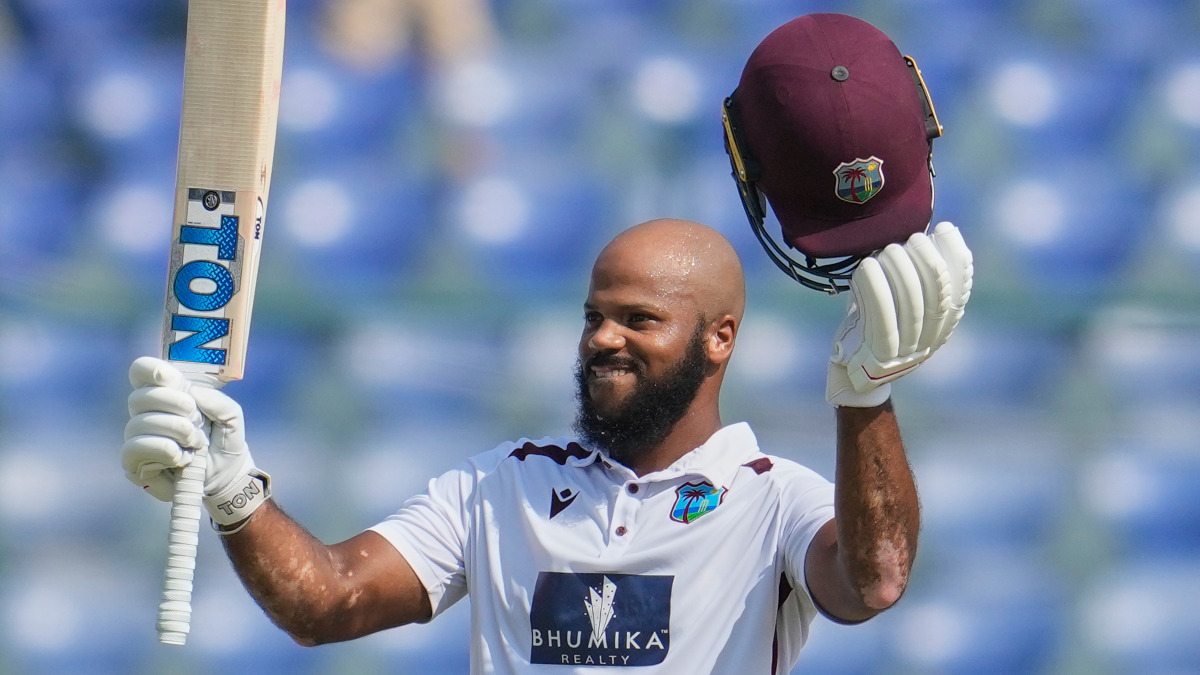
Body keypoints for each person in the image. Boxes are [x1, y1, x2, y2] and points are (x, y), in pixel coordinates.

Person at [122, 13, 973, 675]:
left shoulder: (771, 499)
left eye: (639, 320)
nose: (605, 337)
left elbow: (875, 579)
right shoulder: (502, 485)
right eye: (595, 315)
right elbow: (327, 603)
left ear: (720, 340)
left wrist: (865, 400)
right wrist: (234, 487)